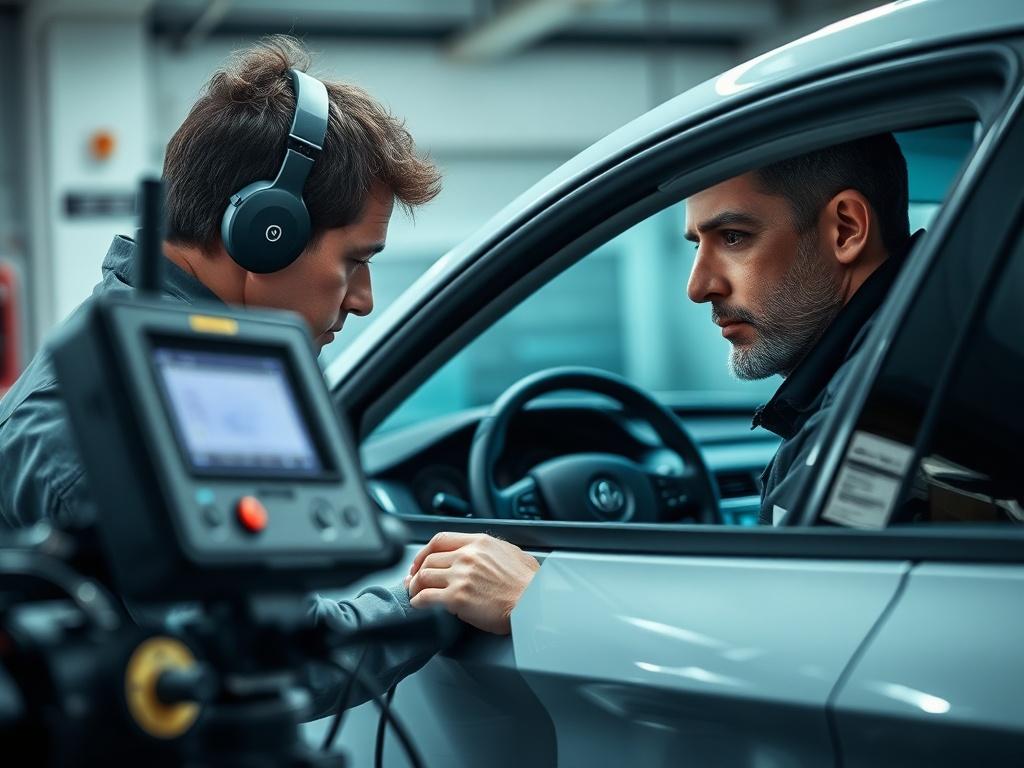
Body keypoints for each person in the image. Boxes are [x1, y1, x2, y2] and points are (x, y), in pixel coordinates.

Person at [0, 36, 538, 711]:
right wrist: (429, 601)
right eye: (355, 260)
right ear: (265, 230)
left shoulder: (211, 365)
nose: (363, 299)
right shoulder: (87, 427)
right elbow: (243, 666)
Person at [683, 133, 914, 525]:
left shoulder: (875, 410)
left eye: (734, 237)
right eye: (697, 246)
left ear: (845, 230)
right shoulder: (908, 352)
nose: (698, 288)